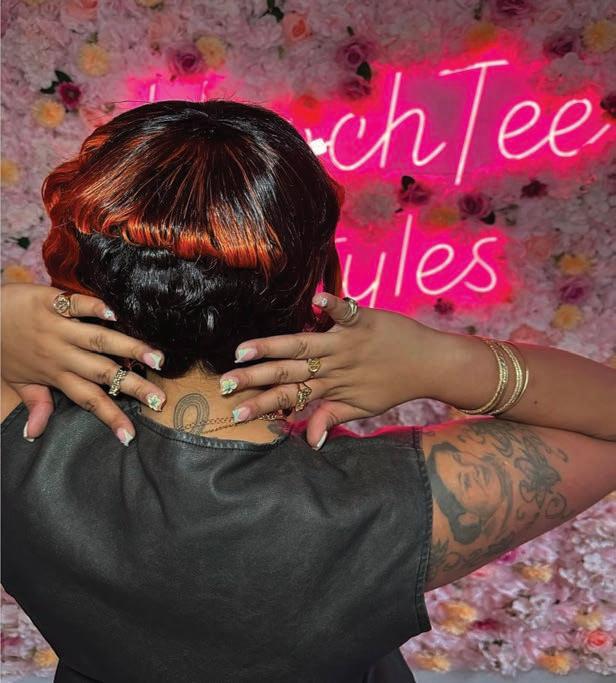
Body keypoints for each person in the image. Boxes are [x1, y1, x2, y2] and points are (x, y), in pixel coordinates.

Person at [1, 100, 615, 683]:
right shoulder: (385, 509)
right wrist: (440, 360)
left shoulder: (19, 443)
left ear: (82, 273)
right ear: (311, 279)